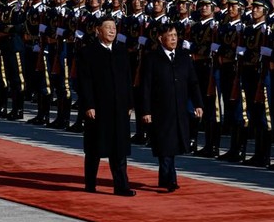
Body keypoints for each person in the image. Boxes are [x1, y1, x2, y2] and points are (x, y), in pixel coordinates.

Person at [141, 23, 203, 192]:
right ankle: (170, 179)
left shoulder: (184, 57)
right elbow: (146, 86)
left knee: (173, 144)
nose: (173, 39)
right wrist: (146, 110)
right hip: (160, 109)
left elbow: (193, 82)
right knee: (164, 144)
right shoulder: (152, 58)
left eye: (175, 35)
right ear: (161, 38)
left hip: (179, 108)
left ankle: (165, 177)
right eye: (170, 36)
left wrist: (198, 103)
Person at [78, 15, 135, 196]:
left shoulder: (121, 51)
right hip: (98, 108)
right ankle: (90, 183)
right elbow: (84, 82)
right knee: (94, 147)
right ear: (98, 30)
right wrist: (88, 105)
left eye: (114, 27)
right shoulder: (88, 52)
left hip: (119, 108)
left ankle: (121, 186)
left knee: (119, 148)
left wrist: (129, 103)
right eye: (108, 27)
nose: (112, 30)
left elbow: (128, 79)